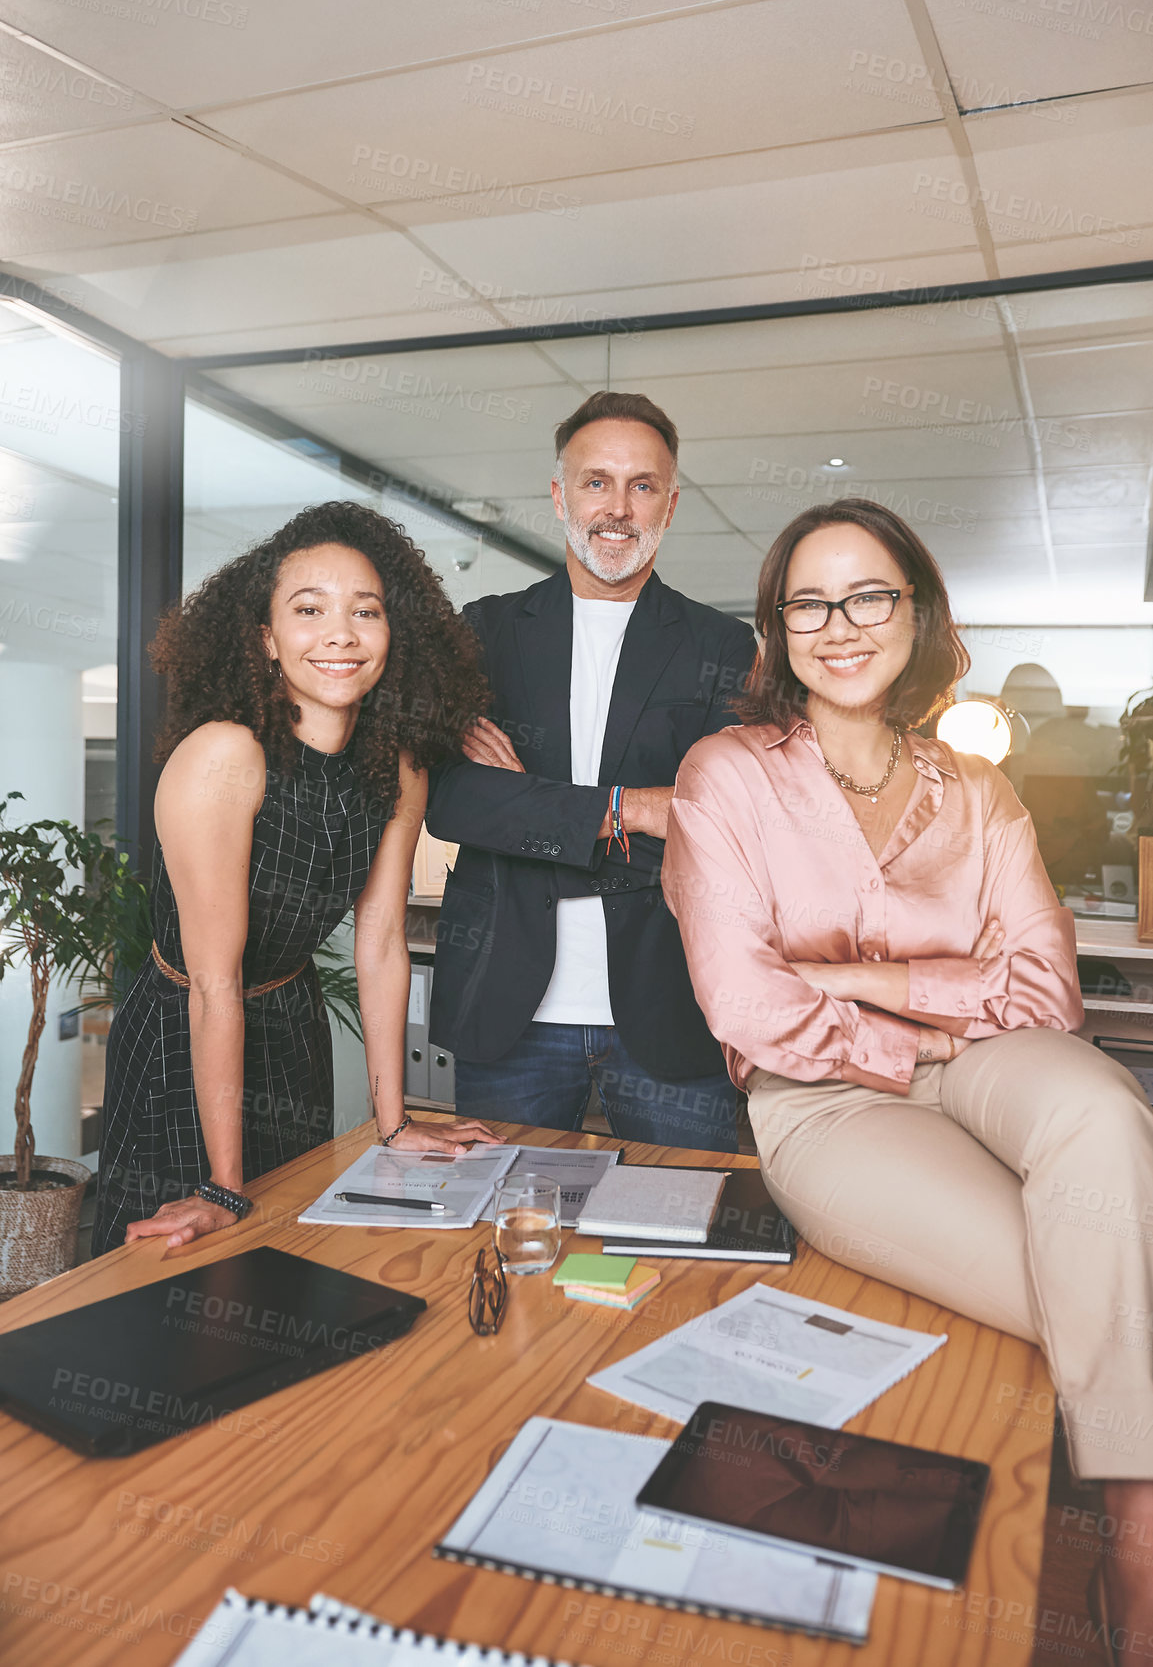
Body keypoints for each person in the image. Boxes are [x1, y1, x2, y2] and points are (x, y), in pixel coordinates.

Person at [661, 496, 1153, 1661]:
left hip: (991, 1061)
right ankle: (1131, 1524)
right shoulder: (724, 775)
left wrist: (860, 979)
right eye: (808, 601)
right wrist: (933, 998)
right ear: (776, 629)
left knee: (1096, 1105)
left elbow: (1045, 994)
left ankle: (1126, 1513)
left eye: (868, 593)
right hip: (825, 1101)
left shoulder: (976, 789)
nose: (840, 623)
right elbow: (745, 1003)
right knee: (1085, 1279)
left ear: (914, 612)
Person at [93, 501, 497, 1256]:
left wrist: (396, 1125)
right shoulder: (224, 756)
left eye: (364, 611)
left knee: (283, 1247)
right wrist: (219, 1186)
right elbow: (215, 984)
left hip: (291, 1017)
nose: (340, 633)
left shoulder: (397, 766)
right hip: (185, 1027)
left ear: (392, 636)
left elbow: (379, 945)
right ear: (266, 641)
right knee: (178, 1259)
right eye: (308, 609)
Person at [425, 391, 757, 1149]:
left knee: (680, 1236)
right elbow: (452, 801)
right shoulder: (484, 631)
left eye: (642, 486)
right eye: (596, 481)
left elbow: (724, 820)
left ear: (669, 505)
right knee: (508, 1233)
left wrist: (529, 810)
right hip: (509, 1009)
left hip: (671, 1005)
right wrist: (630, 809)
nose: (618, 507)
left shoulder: (722, 647)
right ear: (559, 495)